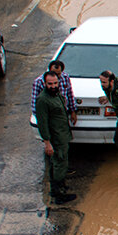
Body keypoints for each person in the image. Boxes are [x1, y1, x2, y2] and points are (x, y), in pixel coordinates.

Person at [35, 70, 76, 204]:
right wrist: (47, 142)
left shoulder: (57, 95)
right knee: (59, 164)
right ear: (45, 83)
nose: (53, 86)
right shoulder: (43, 100)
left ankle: (60, 187)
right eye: (50, 84)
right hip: (55, 138)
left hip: (62, 135)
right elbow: (42, 122)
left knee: (61, 163)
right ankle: (58, 195)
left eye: (55, 83)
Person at [30, 59, 77, 126]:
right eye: (53, 73)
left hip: (63, 116)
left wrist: (73, 111)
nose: (56, 77)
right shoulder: (38, 82)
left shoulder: (65, 77)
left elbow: (70, 94)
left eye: (58, 74)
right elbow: (35, 104)